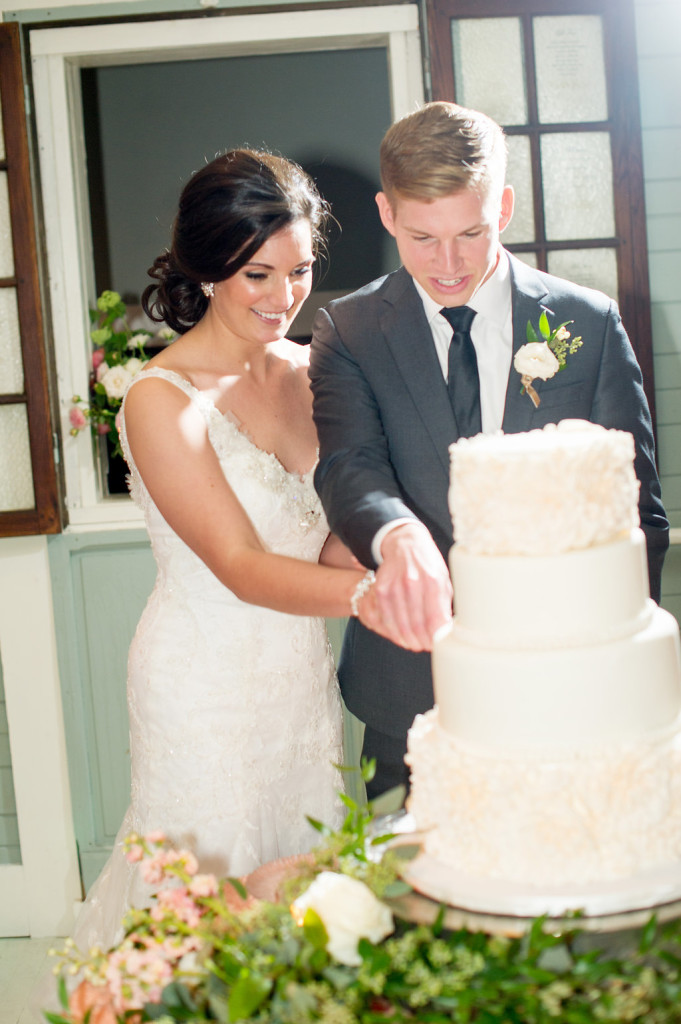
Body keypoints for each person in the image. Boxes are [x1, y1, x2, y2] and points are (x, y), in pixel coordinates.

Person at [70, 148, 384, 954]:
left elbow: (333, 537)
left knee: (304, 894)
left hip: (296, 678)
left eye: (301, 270)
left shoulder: (317, 370)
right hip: (202, 687)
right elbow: (242, 568)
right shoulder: (157, 399)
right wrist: (375, 597)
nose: (285, 297)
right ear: (208, 269)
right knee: (209, 919)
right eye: (257, 275)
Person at [309, 101, 670, 800]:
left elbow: (634, 512)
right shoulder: (348, 330)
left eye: (470, 233)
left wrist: (610, 658)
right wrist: (394, 536)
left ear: (501, 205)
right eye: (422, 238)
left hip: (570, 681)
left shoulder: (584, 323)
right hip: (410, 686)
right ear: (386, 214)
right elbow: (350, 466)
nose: (447, 264)